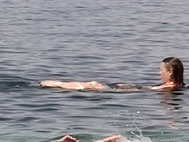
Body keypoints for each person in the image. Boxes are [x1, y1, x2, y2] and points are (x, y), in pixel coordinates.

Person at [40, 57, 184, 91]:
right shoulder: (174, 86)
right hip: (129, 88)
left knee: (93, 84)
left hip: (128, 92)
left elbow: (149, 90)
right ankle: (58, 84)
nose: (159, 73)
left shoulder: (168, 88)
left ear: (170, 72)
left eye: (162, 70)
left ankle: (57, 85)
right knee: (93, 84)